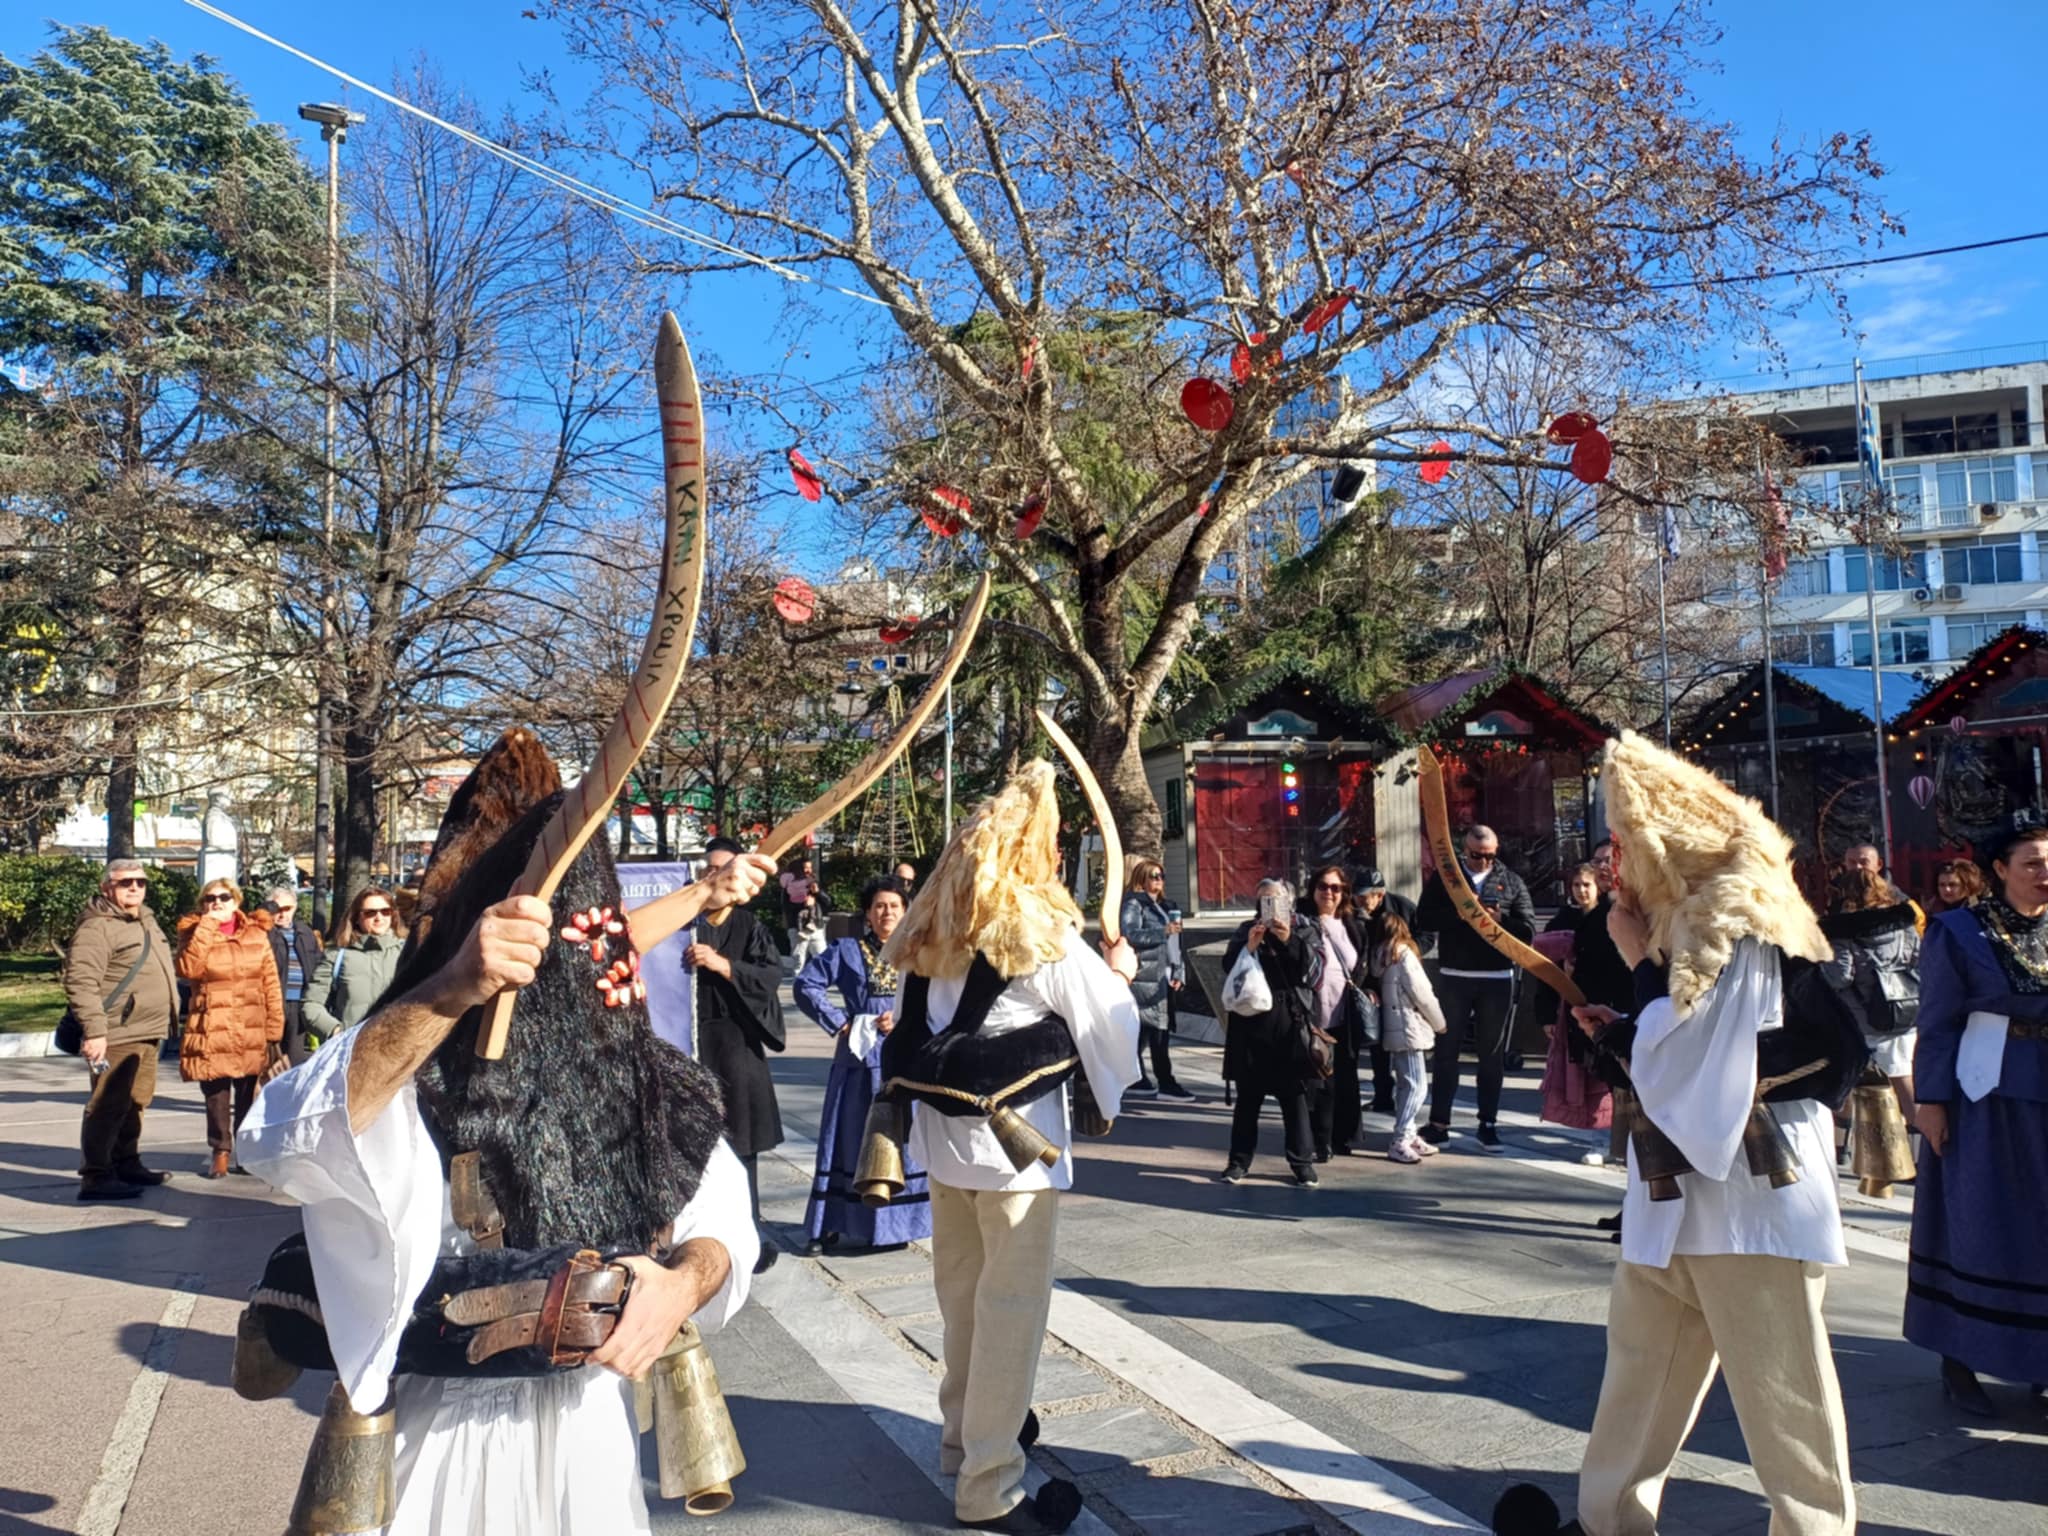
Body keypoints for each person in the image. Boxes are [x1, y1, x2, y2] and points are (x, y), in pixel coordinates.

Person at [235, 727, 771, 1535]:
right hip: (430, 1432)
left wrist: (682, 1284)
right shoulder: (418, 1052)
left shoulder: (635, 1070)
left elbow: (720, 1214)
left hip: (587, 1430)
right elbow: (280, 1143)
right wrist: (453, 989)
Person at [1494, 730, 1855, 1536]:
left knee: (1785, 1400)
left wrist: (1640, 984)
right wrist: (1627, 1023)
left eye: (1629, 849)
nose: (1616, 867)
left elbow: (1800, 1057)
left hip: (1751, 1207)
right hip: (1669, 1204)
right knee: (1637, 1381)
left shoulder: (1753, 942)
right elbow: (1676, 1058)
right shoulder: (1674, 945)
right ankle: (1608, 1522)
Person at [876, 761, 1139, 1534]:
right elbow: (1109, 1027)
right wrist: (1121, 974)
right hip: (1018, 1153)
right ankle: (990, 1483)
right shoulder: (1037, 930)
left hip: (944, 1143)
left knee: (961, 1299)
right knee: (1010, 1307)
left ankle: (961, 1441)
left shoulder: (930, 930)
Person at [1903, 822, 2048, 1418]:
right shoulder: (1960, 930)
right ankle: (1957, 1355)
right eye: (2033, 862)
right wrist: (1930, 1102)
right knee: (1981, 1219)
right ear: (2000, 869)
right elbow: (1936, 1021)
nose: (2045, 872)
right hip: (1988, 1097)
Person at [794, 873, 931, 1252]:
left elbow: (940, 998)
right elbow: (806, 984)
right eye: (879, 906)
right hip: (858, 1057)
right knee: (849, 1137)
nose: (887, 913)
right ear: (868, 914)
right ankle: (831, 1223)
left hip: (905, 1056)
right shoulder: (845, 950)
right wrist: (842, 1022)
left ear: (906, 912)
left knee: (903, 1139)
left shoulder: (921, 953)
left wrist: (905, 1016)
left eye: (894, 906)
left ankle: (900, 1224)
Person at [690, 835, 787, 1273]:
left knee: (742, 1146)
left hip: (735, 1045)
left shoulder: (750, 927)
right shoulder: (681, 922)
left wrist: (723, 965)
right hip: (688, 1047)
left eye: (727, 868)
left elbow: (769, 977)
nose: (720, 876)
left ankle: (749, 1232)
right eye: (711, 869)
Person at [62, 858, 180, 1201]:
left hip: (146, 1030)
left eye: (140, 882)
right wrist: (95, 1031)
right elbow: (81, 982)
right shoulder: (97, 928)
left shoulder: (145, 921)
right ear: (106, 888)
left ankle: (126, 1162)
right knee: (107, 1105)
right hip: (115, 1032)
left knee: (135, 1102)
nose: (134, 888)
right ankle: (96, 1175)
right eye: (125, 882)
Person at [1415, 824, 1536, 1150]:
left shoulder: (1511, 881)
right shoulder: (1447, 878)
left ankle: (1488, 1123)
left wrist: (1500, 922)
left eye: (1489, 856)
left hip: (1496, 977)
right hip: (1456, 974)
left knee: (1491, 1054)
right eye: (1475, 856)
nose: (1483, 862)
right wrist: (1459, 915)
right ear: (1463, 851)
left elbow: (1527, 930)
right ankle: (1439, 1122)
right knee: (1446, 1051)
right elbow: (1423, 919)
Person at [1219, 879, 1325, 1186]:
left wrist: (1288, 938)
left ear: (1289, 903)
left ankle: (1302, 1162)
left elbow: (1311, 973)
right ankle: (1238, 1162)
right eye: (1264, 900)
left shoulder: (1306, 929)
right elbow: (1229, 967)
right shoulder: (1246, 929)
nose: (1269, 907)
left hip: (1288, 1023)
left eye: (1276, 900)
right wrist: (1249, 947)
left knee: (1294, 1098)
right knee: (1247, 1099)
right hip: (1250, 1025)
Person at [177, 879, 284, 1180]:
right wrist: (207, 927)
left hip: (250, 1024)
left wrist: (274, 1028)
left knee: (249, 1094)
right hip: (212, 1025)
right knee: (216, 1094)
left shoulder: (256, 934)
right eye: (210, 898)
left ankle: (247, 1152)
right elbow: (188, 970)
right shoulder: (194, 933)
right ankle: (220, 1150)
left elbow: (270, 983)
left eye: (224, 897)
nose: (217, 903)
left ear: (236, 902)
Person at [1820, 864, 1922, 1155]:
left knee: (1846, 1080)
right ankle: (1920, 1152)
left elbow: (1840, 976)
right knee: (1905, 1080)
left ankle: (1841, 1149)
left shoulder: (1844, 930)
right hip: (1905, 1010)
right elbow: (1919, 958)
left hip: (1862, 1017)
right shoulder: (1904, 923)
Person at [1305, 864, 1369, 1156]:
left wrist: (1368, 989)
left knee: (1345, 1077)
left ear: (1344, 893)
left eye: (1336, 888)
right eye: (1323, 886)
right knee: (1318, 1081)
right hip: (1312, 1014)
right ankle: (1319, 1140)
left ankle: (1343, 1136)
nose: (1329, 893)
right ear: (1313, 889)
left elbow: (1362, 964)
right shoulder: (1302, 921)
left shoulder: (1352, 924)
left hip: (1345, 1014)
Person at [301, 885, 408, 1052]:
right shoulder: (336, 957)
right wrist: (336, 1031)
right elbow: (311, 1005)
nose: (379, 917)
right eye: (370, 912)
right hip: (350, 1054)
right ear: (357, 917)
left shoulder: (410, 953)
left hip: (400, 1053)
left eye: (385, 911)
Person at [1375, 911, 1446, 1163]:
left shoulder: (1380, 957)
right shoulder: (1404, 955)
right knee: (1417, 1085)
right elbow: (1422, 993)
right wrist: (1440, 1024)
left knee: (1406, 1083)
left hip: (1394, 1029)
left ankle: (1411, 1133)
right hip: (1410, 1028)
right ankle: (1401, 1137)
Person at [1120, 859, 1192, 1101]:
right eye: (1153, 876)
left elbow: (1177, 944)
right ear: (1141, 878)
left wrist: (1179, 971)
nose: (1159, 880)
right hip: (1146, 975)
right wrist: (1162, 932)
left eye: (1161, 875)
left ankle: (1137, 1077)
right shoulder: (1135, 904)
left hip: (1165, 973)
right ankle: (1163, 1081)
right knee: (1154, 1030)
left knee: (1150, 1030)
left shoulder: (1167, 906)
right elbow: (1130, 934)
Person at [1355, 868, 1414, 1114]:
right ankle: (1382, 1095)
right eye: (1357, 896)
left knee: (1402, 1042)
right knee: (1376, 1044)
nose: (1360, 901)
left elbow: (1426, 934)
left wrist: (1407, 952)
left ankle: (1406, 1095)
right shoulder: (1354, 912)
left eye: (1365, 896)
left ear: (1379, 895)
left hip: (1399, 981)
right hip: (1371, 983)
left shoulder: (1402, 907)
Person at [266, 884, 325, 1066]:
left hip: (300, 1003)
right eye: (277, 909)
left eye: (288, 908)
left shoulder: (305, 932)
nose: (282, 914)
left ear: (295, 907)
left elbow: (317, 964)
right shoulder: (264, 934)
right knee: (270, 1058)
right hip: (273, 1004)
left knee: (295, 1057)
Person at [780, 857, 829, 969]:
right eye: (805, 868)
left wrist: (818, 893)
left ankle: (820, 983)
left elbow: (827, 902)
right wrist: (803, 904)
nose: (809, 870)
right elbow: (786, 907)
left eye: (810, 867)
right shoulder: (790, 887)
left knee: (822, 959)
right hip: (799, 928)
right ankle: (797, 983)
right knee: (798, 961)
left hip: (816, 927)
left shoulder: (813, 883)